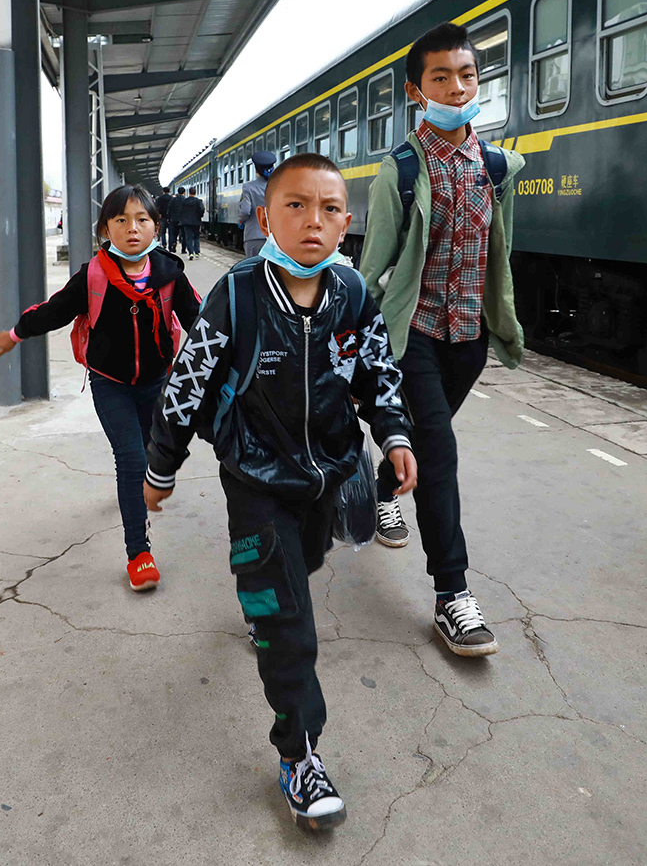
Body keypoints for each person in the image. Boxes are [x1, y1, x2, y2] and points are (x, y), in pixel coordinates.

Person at [142, 154, 415, 831]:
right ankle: (300, 755)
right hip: (256, 477)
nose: (312, 221)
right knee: (289, 621)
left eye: (328, 209)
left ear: (347, 223)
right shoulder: (235, 293)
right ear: (264, 217)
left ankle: (267, 605)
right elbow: (188, 383)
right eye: (295, 205)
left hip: (325, 473)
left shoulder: (352, 296)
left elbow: (379, 370)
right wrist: (161, 466)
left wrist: (397, 434)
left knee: (305, 562)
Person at [357, 21, 525, 657]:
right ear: (414, 90)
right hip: (415, 335)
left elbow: (499, 255)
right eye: (441, 78)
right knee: (441, 453)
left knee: (423, 447)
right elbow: (372, 270)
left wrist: (502, 320)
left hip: (469, 338)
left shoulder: (495, 167)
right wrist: (355, 350)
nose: (457, 89)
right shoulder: (398, 172)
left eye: (468, 75)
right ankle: (452, 596)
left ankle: (381, 491)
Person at [0, 185, 200, 592]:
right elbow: (55, 311)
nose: (132, 229)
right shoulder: (94, 276)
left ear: (156, 226)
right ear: (106, 229)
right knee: (132, 460)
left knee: (150, 455)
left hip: (156, 382)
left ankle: (134, 502)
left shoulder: (171, 275)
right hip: (110, 383)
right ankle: (139, 552)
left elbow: (202, 323)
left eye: (142, 220)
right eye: (121, 220)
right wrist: (15, 334)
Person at [238, 149, 275, 258]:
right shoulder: (278, 186)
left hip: (254, 236)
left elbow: (245, 210)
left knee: (253, 269)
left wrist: (240, 221)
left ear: (255, 169)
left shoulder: (248, 187)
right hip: (275, 237)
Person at [179, 186, 205, 260]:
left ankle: (190, 253)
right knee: (196, 237)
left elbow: (181, 211)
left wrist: (183, 218)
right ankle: (196, 252)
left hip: (186, 222)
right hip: (196, 222)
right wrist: (200, 216)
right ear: (195, 193)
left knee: (188, 238)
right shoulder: (198, 201)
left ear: (189, 193)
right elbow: (202, 209)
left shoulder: (184, 201)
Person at [161, 187, 182, 253]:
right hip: (171, 218)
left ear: (163, 191)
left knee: (163, 232)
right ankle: (172, 245)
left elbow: (157, 207)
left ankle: (164, 244)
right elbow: (171, 208)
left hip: (163, 217)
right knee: (172, 233)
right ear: (169, 191)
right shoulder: (172, 199)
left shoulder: (160, 199)